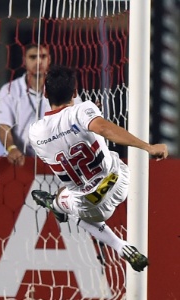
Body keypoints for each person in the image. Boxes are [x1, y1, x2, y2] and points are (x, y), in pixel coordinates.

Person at [29, 65, 168, 272]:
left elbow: (63, 136)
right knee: (101, 161)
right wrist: (148, 147)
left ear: (45, 93)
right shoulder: (83, 109)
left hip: (90, 207)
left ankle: (119, 245)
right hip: (119, 182)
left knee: (66, 200)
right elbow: (101, 128)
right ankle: (57, 205)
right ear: (75, 92)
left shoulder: (35, 133)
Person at [0, 44, 83, 166]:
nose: (39, 61)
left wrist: (87, 114)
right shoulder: (9, 90)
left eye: (43, 56)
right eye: (33, 57)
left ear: (49, 59)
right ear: (24, 60)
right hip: (23, 161)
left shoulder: (63, 86)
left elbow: (79, 119)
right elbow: (3, 125)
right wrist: (11, 148)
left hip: (60, 161)